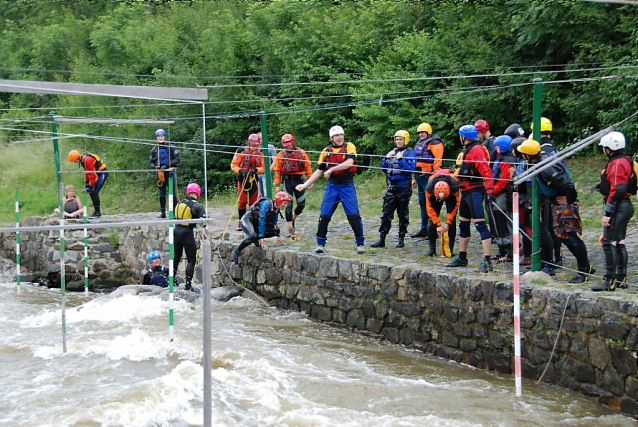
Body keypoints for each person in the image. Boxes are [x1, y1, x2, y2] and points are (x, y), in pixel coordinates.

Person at [517, 138, 595, 283]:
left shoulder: (547, 168)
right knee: (562, 236)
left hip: (565, 205)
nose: (521, 156)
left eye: (523, 153)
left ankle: (584, 270)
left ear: (528, 155)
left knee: (572, 236)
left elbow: (568, 185)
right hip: (557, 204)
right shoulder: (539, 163)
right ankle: (585, 266)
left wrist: (569, 200)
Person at [295, 125, 365, 254]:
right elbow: (319, 171)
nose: (339, 138)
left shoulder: (349, 146)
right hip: (332, 187)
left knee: (353, 215)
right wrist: (304, 185)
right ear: (331, 138)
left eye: (341, 135)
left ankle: (360, 243)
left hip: (346, 185)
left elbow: (349, 163)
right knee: (324, 215)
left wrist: (332, 169)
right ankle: (320, 243)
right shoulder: (326, 151)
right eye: (336, 136)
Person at [447, 125, 495, 273]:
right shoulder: (468, 149)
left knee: (480, 225)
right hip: (466, 191)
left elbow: (486, 171)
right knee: (463, 224)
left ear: (464, 137)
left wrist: (490, 190)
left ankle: (487, 260)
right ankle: (462, 257)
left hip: (475, 191)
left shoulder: (476, 150)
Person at [591, 131, 634, 291]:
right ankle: (621, 278)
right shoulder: (624, 160)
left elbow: (618, 189)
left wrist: (608, 213)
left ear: (610, 148)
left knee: (609, 243)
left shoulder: (617, 164)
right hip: (625, 205)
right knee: (619, 242)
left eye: (604, 147)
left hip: (618, 207)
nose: (603, 150)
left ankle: (609, 281)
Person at [370, 130, 417, 249]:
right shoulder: (393, 151)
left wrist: (401, 160)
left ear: (405, 140)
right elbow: (384, 169)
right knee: (386, 213)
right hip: (392, 187)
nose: (398, 141)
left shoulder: (410, 153)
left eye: (400, 139)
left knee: (402, 214)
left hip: (404, 187)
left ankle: (401, 239)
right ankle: (382, 238)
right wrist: (385, 159)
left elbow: (410, 169)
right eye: (396, 139)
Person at [231, 191, 291, 263]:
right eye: (285, 203)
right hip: (248, 220)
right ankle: (237, 251)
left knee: (276, 231)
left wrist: (278, 236)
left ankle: (256, 238)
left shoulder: (276, 208)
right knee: (253, 236)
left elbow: (274, 223)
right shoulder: (267, 204)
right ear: (279, 201)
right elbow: (261, 220)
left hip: (256, 223)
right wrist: (262, 239)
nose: (286, 206)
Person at [273, 133, 314, 236]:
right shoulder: (281, 155)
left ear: (293, 143)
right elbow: (277, 170)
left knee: (301, 204)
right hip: (287, 180)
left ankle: (293, 218)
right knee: (288, 204)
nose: (288, 147)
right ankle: (290, 229)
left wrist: (310, 180)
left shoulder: (301, 153)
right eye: (286, 145)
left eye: (289, 144)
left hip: (299, 180)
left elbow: (308, 167)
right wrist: (277, 185)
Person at [410, 123, 445, 238]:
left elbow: (438, 160)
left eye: (423, 132)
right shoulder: (420, 143)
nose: (421, 134)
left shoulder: (435, 143)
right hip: (419, 176)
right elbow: (417, 161)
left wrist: (434, 176)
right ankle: (423, 229)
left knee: (430, 203)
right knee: (422, 203)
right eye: (419, 132)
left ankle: (433, 229)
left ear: (428, 133)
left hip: (428, 176)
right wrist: (415, 178)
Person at [173, 183, 207, 293]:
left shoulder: (180, 203)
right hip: (187, 233)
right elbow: (204, 222)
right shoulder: (197, 205)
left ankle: (171, 280)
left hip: (176, 231)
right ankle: (188, 285)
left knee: (177, 256)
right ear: (198, 192)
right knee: (191, 259)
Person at [231, 134, 265, 231]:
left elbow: (263, 167)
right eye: (252, 144)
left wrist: (256, 170)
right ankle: (241, 222)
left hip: (253, 179)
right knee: (242, 202)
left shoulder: (261, 153)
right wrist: (241, 171)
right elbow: (234, 165)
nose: (254, 146)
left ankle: (252, 221)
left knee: (253, 203)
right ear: (249, 143)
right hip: (242, 179)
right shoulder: (241, 151)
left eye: (256, 145)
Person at [424, 169, 460, 257]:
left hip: (450, 193)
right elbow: (430, 209)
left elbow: (454, 208)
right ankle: (431, 249)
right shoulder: (429, 189)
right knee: (431, 221)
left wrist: (448, 223)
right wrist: (438, 224)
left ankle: (450, 249)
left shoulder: (454, 187)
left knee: (452, 222)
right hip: (435, 194)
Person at [491, 135, 516, 262]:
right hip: (497, 193)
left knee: (505, 222)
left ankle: (509, 250)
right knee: (498, 222)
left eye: (497, 146)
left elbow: (503, 180)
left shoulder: (508, 160)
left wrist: (493, 191)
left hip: (503, 194)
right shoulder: (500, 159)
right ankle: (501, 248)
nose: (495, 148)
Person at [510, 137, 533, 266]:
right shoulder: (521, 162)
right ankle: (527, 251)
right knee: (523, 227)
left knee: (525, 227)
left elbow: (522, 182)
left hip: (524, 200)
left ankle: (529, 254)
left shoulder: (523, 164)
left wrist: (513, 174)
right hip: (521, 199)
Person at [68, 150, 108, 218]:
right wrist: (86, 182)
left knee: (95, 192)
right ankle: (96, 212)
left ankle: (97, 213)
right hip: (97, 173)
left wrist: (90, 186)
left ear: (76, 158)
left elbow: (93, 176)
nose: (75, 162)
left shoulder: (87, 160)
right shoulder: (83, 160)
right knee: (91, 192)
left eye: (74, 161)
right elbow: (87, 172)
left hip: (102, 173)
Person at [150, 128, 180, 219]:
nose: (160, 138)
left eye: (161, 136)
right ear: (156, 138)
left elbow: (177, 159)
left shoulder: (171, 147)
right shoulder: (154, 149)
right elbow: (151, 162)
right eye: (158, 136)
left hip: (170, 171)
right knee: (162, 192)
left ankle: (175, 213)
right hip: (160, 173)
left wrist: (166, 165)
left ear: (164, 137)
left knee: (172, 192)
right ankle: (163, 212)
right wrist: (155, 167)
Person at [475, 119, 497, 238]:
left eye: (478, 132)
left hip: (491, 177)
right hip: (487, 177)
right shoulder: (486, 143)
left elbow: (490, 161)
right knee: (488, 207)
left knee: (490, 207)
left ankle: (495, 232)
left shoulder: (491, 142)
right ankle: (494, 231)